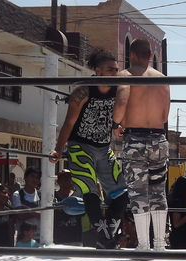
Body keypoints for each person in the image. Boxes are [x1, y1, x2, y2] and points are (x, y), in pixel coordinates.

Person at [50, 48, 128, 249]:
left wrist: (119, 126)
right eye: (111, 70)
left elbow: (122, 110)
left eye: (116, 70)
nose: (115, 73)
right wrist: (58, 150)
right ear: (98, 70)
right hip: (80, 146)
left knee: (122, 194)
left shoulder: (118, 89)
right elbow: (68, 122)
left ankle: (104, 236)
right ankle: (106, 239)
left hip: (104, 147)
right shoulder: (83, 91)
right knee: (89, 192)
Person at [113, 38, 170, 251]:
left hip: (135, 139)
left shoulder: (126, 75)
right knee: (158, 191)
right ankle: (160, 244)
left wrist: (116, 123)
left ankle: (144, 244)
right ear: (149, 56)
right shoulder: (163, 79)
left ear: (132, 55)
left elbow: (121, 103)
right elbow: (164, 116)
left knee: (138, 192)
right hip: (158, 138)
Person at [12, 167, 41, 241]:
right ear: (25, 177)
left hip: (39, 238)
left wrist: (26, 210)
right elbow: (20, 215)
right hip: (22, 239)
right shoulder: (17, 194)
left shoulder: (42, 195)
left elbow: (45, 215)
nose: (34, 180)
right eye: (32, 176)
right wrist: (36, 213)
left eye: (37, 177)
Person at [53, 169, 82, 245]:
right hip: (58, 239)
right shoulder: (53, 196)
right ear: (58, 181)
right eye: (63, 178)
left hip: (76, 238)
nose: (67, 181)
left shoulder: (78, 195)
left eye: (69, 178)